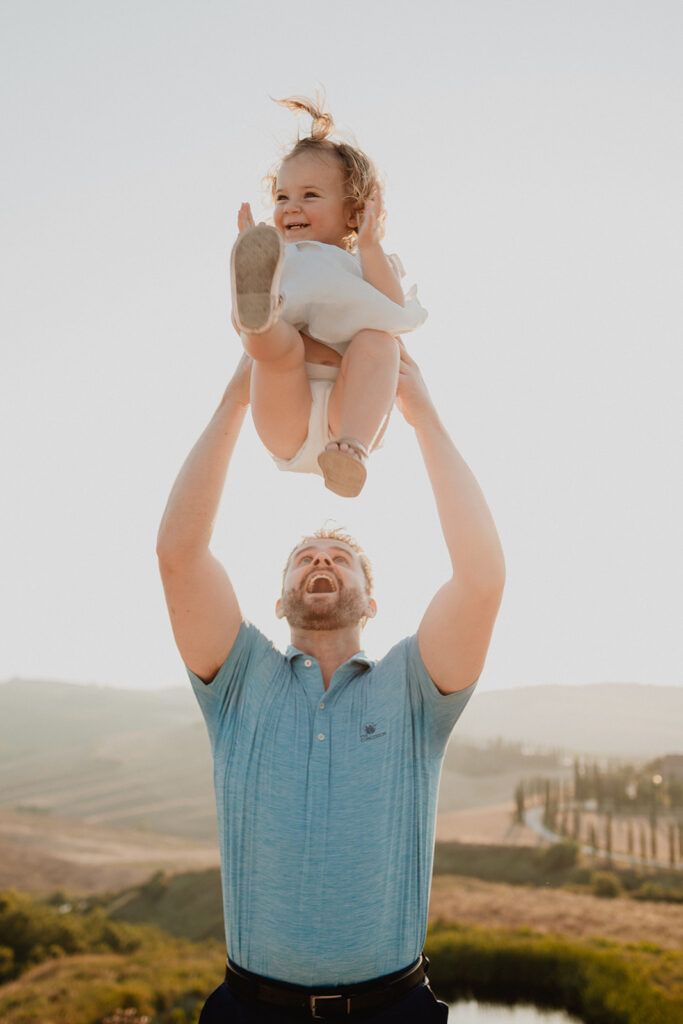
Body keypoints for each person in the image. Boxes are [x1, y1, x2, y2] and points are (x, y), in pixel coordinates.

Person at [156, 345, 505, 1021]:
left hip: (393, 1009)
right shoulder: (237, 680)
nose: (320, 560)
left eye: (339, 557)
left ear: (371, 602)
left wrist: (422, 416)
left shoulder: (414, 688)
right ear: (281, 599)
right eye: (303, 559)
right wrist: (237, 397)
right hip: (249, 1009)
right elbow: (178, 554)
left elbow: (481, 578)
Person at [231, 96, 427, 497]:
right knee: (278, 346)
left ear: (353, 213)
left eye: (310, 196)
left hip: (351, 415)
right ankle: (260, 314)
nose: (291, 207)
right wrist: (259, 256)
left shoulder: (362, 263)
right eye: (282, 198)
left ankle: (353, 451)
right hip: (287, 405)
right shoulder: (284, 258)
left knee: (379, 340)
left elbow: (394, 311)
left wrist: (371, 246)